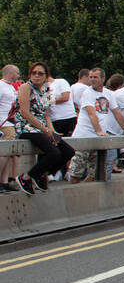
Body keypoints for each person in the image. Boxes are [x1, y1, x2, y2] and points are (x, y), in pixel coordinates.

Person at [13, 62, 75, 195]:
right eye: (34, 73)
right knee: (54, 152)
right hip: (26, 128)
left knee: (68, 151)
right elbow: (25, 112)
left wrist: (51, 130)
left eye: (40, 73)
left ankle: (41, 174)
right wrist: (45, 130)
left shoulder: (47, 89)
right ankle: (26, 178)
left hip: (42, 128)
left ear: (46, 76)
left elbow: (46, 114)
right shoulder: (25, 87)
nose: (36, 76)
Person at [67, 66, 124, 182]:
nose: (93, 80)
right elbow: (91, 114)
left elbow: (117, 113)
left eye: (95, 77)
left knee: (95, 173)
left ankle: (87, 195)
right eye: (90, 77)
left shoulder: (109, 94)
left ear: (103, 78)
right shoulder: (87, 93)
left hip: (98, 139)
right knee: (76, 172)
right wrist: (99, 130)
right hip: (84, 136)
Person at [0, 64, 21, 191]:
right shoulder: (1, 86)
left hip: (11, 124)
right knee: (4, 153)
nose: (18, 75)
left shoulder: (11, 87)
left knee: (9, 154)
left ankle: (4, 181)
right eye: (17, 73)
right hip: (4, 123)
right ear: (10, 73)